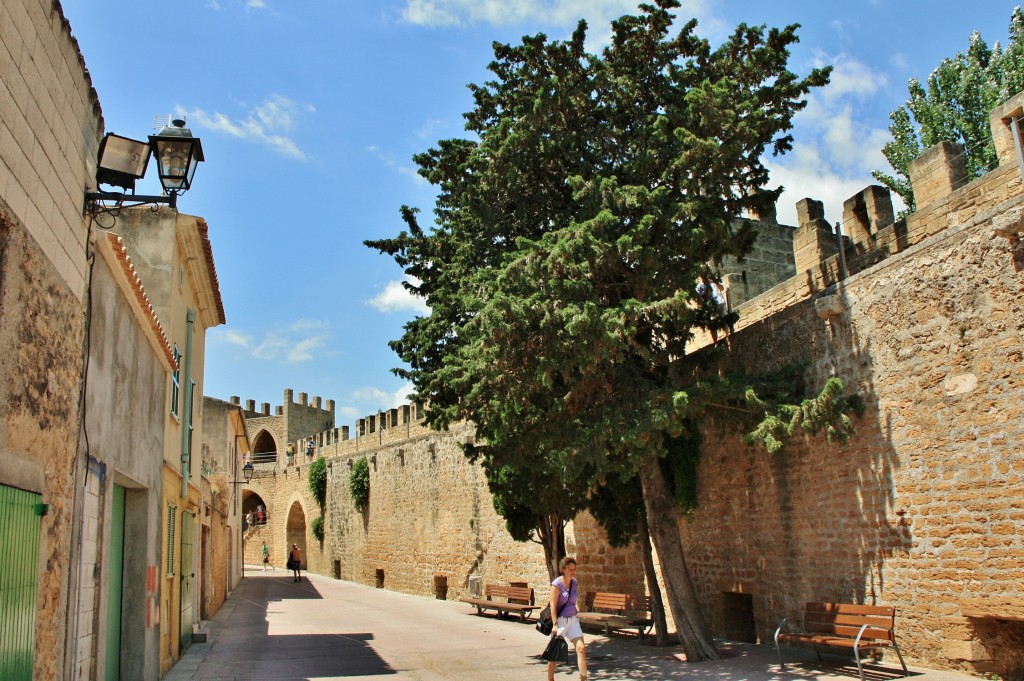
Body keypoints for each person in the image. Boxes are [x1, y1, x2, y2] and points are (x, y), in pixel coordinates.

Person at [548, 556, 587, 681]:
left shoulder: (574, 582)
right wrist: (555, 624)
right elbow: (552, 606)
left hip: (573, 619)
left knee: (581, 648)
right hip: (560, 621)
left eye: (574, 569)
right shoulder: (557, 584)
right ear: (563, 569)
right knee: (555, 651)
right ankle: (550, 679)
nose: (573, 572)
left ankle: (584, 679)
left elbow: (572, 601)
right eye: (570, 569)